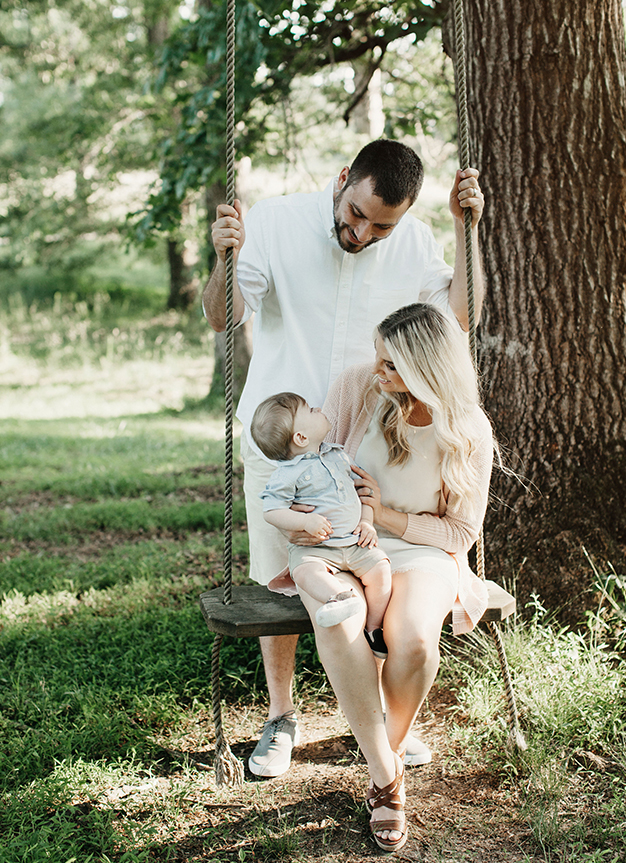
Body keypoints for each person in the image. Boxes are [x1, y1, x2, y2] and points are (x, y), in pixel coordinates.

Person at [203, 138, 485, 779]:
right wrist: (225, 258)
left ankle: (388, 719)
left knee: (371, 570)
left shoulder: (412, 243)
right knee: (278, 579)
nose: (362, 232)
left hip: (365, 441)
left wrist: (468, 233)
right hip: (283, 442)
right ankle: (281, 715)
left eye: (381, 225)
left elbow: (459, 317)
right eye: (356, 214)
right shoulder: (273, 222)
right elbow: (223, 316)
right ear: (341, 181)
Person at [299, 302, 494, 852]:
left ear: (428, 369)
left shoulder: (467, 429)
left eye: (392, 365)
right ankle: (386, 777)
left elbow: (459, 534)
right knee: (338, 620)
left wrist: (386, 517)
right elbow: (311, 461)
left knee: (414, 645)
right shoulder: (359, 388)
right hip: (343, 543)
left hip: (421, 550)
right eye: (379, 358)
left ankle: (387, 743)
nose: (378, 372)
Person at [251, 391, 392, 653]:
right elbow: (271, 511)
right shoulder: (287, 474)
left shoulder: (338, 456)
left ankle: (373, 629)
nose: (318, 408)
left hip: (354, 542)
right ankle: (339, 598)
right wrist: (304, 522)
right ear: (301, 438)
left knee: (382, 570)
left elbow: (360, 494)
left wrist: (368, 521)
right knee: (304, 572)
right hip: (315, 549)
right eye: (311, 410)